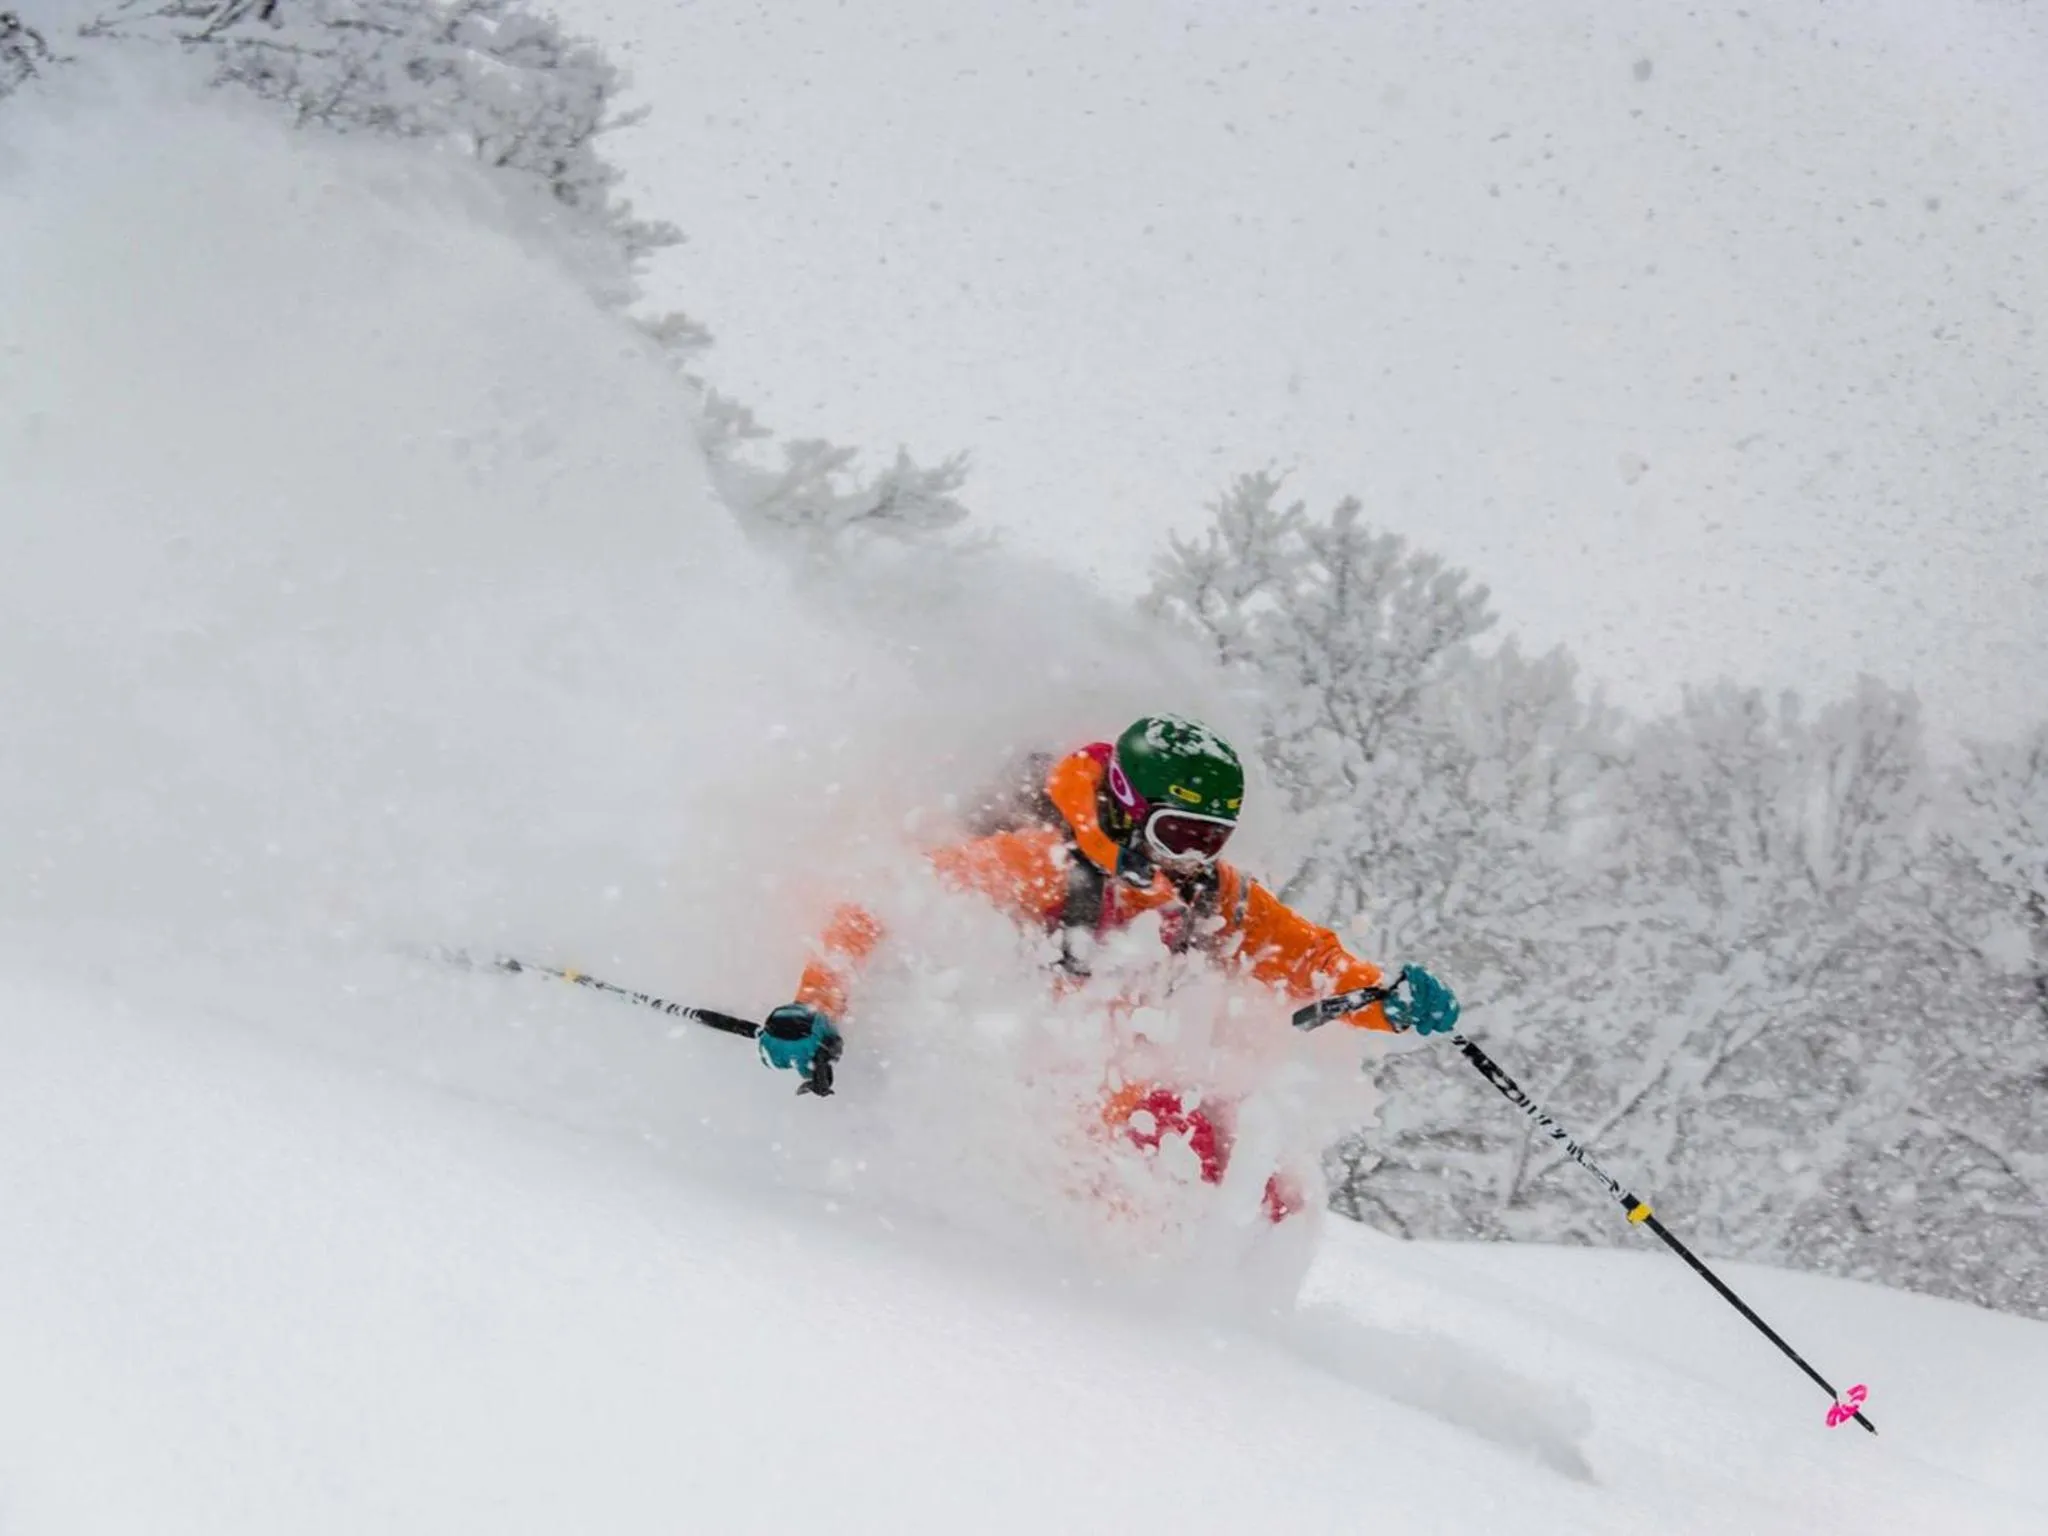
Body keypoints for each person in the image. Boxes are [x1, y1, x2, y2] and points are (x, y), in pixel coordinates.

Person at [755, 714, 1460, 1214]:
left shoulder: (1209, 892)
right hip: (1018, 1097)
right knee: (1169, 1158)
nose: (1191, 858)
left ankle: (1223, 1333)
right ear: (1128, 806)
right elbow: (877, 904)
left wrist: (1382, 998)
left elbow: (1306, 959)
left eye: (1210, 839)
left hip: (1123, 1097)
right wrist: (815, 1004)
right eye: (1177, 833)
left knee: (1262, 1181)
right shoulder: (1042, 866)